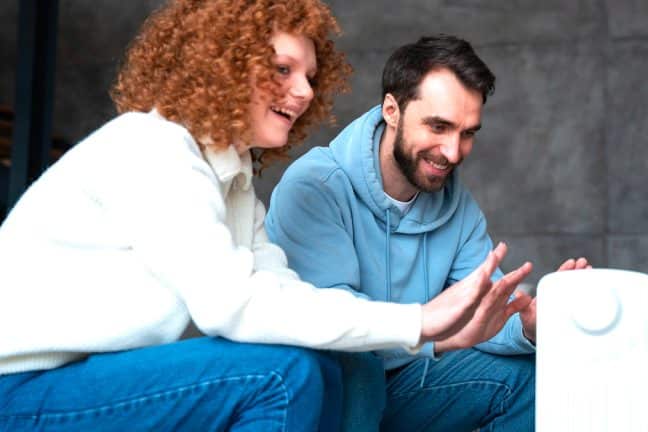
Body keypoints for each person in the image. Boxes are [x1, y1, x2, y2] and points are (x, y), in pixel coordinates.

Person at [0, 4, 533, 431]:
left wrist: (439, 330)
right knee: (283, 374)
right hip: (23, 391)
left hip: (91, 380)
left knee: (318, 362)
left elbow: (284, 292)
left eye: (309, 75)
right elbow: (229, 305)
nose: (304, 91)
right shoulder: (154, 148)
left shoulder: (231, 179)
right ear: (223, 67)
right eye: (282, 70)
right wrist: (419, 323)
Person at [266, 34, 591, 431]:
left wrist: (528, 323)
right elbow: (333, 324)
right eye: (439, 126)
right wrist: (434, 332)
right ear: (391, 110)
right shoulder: (314, 187)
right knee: (359, 365)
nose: (453, 152)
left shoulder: (457, 207)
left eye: (467, 133)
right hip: (326, 394)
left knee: (530, 378)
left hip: (407, 385)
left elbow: (479, 313)